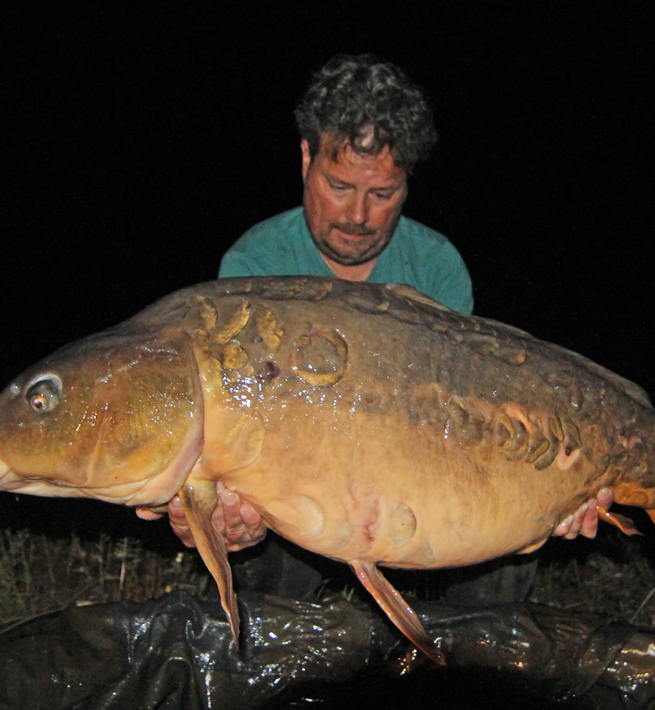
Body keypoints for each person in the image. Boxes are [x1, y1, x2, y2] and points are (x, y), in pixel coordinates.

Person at [154, 54, 601, 605]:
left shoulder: (437, 267)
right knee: (259, 539)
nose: (358, 216)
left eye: (382, 194)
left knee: (508, 531)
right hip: (301, 507)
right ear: (306, 158)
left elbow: (472, 425)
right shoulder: (254, 269)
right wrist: (223, 515)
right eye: (339, 186)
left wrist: (558, 490)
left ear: (408, 181)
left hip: (418, 489)